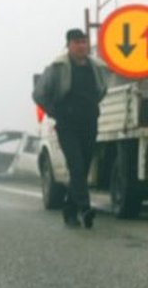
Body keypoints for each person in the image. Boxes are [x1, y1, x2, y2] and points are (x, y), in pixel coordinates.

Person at [32, 27, 109, 228]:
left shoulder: (96, 67)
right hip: (67, 125)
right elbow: (38, 93)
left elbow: (102, 90)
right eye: (77, 42)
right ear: (69, 45)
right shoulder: (58, 67)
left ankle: (69, 209)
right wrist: (55, 111)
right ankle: (85, 208)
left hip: (90, 122)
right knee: (76, 165)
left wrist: (91, 107)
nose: (81, 46)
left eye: (84, 42)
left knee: (82, 169)